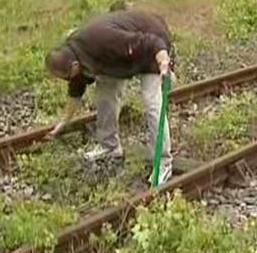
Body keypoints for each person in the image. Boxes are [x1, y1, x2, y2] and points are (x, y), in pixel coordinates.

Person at [45, 10, 176, 185]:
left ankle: (163, 163)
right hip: (121, 57)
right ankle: (109, 147)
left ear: (75, 65)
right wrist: (64, 122)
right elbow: (76, 89)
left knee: (151, 101)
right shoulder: (74, 53)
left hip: (152, 46)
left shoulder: (104, 41)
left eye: (67, 76)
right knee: (105, 93)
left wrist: (163, 62)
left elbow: (152, 42)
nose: (67, 80)